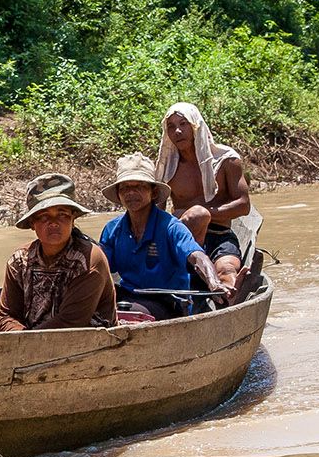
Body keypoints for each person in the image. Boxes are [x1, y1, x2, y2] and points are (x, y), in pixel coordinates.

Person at [98, 153, 234, 319]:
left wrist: (214, 282)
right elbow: (100, 267)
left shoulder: (170, 227)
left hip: (169, 302)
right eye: (125, 188)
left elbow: (197, 256)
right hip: (129, 296)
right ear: (118, 194)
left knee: (128, 313)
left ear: (153, 192)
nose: (131, 193)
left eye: (139, 186)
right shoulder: (112, 229)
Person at [0, 173, 117, 331]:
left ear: (72, 220)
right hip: (31, 340)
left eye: (62, 214)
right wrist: (20, 338)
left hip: (88, 343)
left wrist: (27, 342)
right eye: (44, 216)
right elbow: (7, 316)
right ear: (32, 223)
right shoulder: (19, 261)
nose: (54, 223)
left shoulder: (87, 260)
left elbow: (71, 322)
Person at [157, 102, 252, 293]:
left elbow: (243, 205)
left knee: (226, 268)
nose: (177, 131)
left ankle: (229, 293)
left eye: (183, 124)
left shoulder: (226, 160)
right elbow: (156, 211)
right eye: (171, 126)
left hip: (219, 235)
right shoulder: (167, 167)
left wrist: (202, 214)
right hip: (184, 236)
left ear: (195, 126)